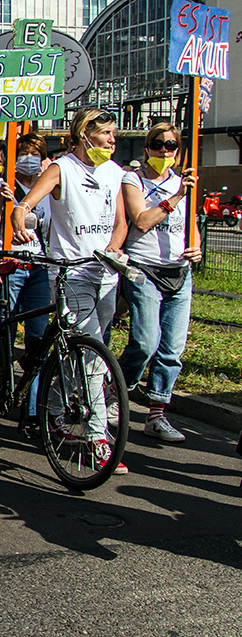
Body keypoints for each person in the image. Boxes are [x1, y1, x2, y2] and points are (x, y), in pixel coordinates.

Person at [12, 108, 130, 475]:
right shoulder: (62, 169)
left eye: (113, 134)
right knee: (94, 356)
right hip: (70, 274)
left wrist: (114, 249)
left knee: (81, 353)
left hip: (106, 274)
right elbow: (26, 204)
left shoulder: (115, 172)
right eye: (106, 134)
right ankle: (97, 436)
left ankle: (58, 409)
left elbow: (121, 223)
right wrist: (20, 220)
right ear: (83, 135)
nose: (112, 140)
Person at [119, 122, 202, 444]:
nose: (164, 151)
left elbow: (189, 223)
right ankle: (118, 393)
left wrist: (195, 245)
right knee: (145, 341)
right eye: (157, 145)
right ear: (146, 148)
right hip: (145, 269)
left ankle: (156, 413)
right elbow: (141, 219)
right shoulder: (134, 179)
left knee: (172, 350)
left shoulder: (183, 181)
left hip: (179, 271)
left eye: (170, 146)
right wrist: (177, 195)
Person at [0, 133, 54, 434]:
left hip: (38, 266)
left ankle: (34, 406)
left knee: (39, 339)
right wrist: (1, 205)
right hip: (10, 264)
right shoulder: (3, 185)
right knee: (7, 331)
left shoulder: (49, 187)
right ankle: (3, 378)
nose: (30, 158)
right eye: (23, 152)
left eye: (35, 153)